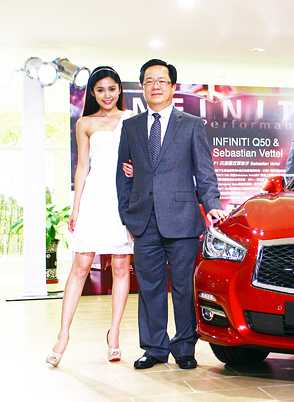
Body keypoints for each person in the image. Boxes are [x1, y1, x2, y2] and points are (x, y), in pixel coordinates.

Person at [116, 59, 227, 370]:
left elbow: (204, 170)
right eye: (149, 81)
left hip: (183, 219)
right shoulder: (131, 127)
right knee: (149, 288)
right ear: (142, 87)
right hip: (144, 220)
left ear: (172, 87)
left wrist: (212, 203)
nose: (155, 86)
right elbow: (123, 174)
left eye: (161, 81)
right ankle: (154, 348)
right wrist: (127, 213)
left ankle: (184, 347)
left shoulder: (191, 124)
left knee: (183, 288)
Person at [46, 66, 135, 367]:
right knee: (80, 267)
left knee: (121, 267)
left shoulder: (132, 119)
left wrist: (135, 169)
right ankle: (62, 336)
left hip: (122, 199)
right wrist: (76, 207)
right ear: (93, 93)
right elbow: (82, 166)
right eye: (100, 90)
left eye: (111, 88)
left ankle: (114, 336)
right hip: (95, 197)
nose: (107, 95)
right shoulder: (84, 123)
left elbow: (144, 160)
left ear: (119, 89)